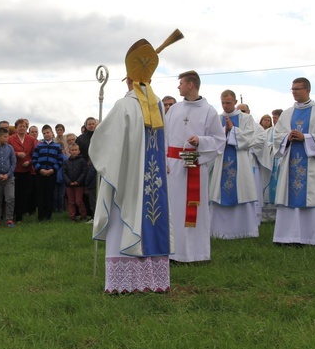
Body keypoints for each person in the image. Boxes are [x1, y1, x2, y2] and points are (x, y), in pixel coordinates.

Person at [91, 34, 179, 293]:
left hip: (126, 180)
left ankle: (124, 284)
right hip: (153, 182)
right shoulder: (159, 108)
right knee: (152, 217)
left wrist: (98, 137)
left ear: (129, 80)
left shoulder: (123, 106)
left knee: (123, 221)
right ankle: (152, 280)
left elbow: (106, 146)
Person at [165, 70, 224, 263]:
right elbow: (164, 136)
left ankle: (194, 253)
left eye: (181, 83)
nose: (178, 86)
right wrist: (164, 160)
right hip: (172, 166)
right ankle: (173, 251)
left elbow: (219, 140)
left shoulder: (209, 111)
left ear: (191, 85)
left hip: (194, 164)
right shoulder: (174, 109)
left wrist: (200, 140)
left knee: (193, 211)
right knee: (173, 209)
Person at [272, 78, 315, 246]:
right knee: (290, 197)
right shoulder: (287, 113)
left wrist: (305, 138)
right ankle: (287, 237)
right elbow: (276, 136)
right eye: (292, 89)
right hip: (291, 160)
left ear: (307, 90)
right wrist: (288, 137)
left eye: (298, 89)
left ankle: (314, 238)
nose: (294, 92)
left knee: (313, 197)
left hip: (312, 163)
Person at [208, 89, 262, 240]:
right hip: (221, 161)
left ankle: (244, 231)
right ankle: (218, 231)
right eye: (223, 103)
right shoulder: (217, 118)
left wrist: (233, 131)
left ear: (235, 102)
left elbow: (251, 137)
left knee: (241, 192)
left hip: (240, 160)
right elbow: (212, 138)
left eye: (228, 103)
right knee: (218, 193)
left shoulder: (246, 118)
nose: (225, 106)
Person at [32, 125, 64, 221]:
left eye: (48, 132)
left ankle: (48, 216)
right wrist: (40, 169)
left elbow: (60, 160)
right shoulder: (39, 146)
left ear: (52, 133)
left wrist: (53, 170)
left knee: (49, 195)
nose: (46, 135)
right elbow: (34, 160)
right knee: (41, 195)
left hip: (51, 174)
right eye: (44, 133)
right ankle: (41, 216)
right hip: (40, 174)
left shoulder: (57, 146)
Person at [8, 118, 36, 221]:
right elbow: (8, 152)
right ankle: (13, 214)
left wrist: (29, 161)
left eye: (24, 126)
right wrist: (17, 154)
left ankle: (20, 215)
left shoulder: (31, 139)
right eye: (20, 126)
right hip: (14, 169)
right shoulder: (11, 139)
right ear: (16, 128)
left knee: (24, 193)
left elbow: (34, 154)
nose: (22, 128)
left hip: (27, 170)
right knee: (14, 194)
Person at [62, 143, 88, 221]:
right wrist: (69, 181)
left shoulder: (82, 161)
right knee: (71, 201)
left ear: (79, 151)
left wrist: (78, 181)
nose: (74, 151)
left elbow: (84, 172)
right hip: (69, 185)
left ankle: (83, 215)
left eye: (75, 150)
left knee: (79, 201)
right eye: (72, 150)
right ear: (69, 151)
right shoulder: (66, 162)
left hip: (79, 185)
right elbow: (64, 172)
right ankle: (72, 216)